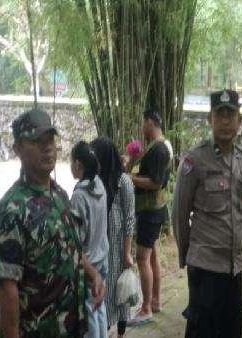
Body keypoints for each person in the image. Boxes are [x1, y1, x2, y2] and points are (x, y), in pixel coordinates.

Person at [0, 109, 105, 338]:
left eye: (50, 139)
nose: (47, 147)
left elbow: (70, 246)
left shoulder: (59, 194)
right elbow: (8, 293)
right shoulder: (12, 211)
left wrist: (93, 274)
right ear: (18, 149)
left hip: (72, 327)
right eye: (37, 141)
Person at [172, 90, 242, 338]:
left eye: (231, 115)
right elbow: (179, 215)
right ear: (210, 119)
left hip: (233, 270)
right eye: (220, 115)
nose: (225, 121)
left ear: (239, 121)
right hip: (205, 268)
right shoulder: (194, 160)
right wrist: (187, 256)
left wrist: (241, 255)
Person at [128, 110, 172, 326]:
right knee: (152, 256)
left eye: (143, 123)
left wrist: (131, 178)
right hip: (154, 209)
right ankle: (155, 301)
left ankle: (145, 308)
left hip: (150, 211)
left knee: (142, 258)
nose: (142, 127)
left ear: (150, 122)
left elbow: (156, 182)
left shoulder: (159, 149)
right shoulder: (158, 146)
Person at [91, 137, 136, 338]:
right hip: (101, 246)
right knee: (104, 291)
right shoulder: (96, 180)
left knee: (120, 291)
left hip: (118, 246)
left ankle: (121, 333)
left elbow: (130, 219)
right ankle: (105, 329)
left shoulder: (123, 181)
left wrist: (127, 253)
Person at [71, 141, 110, 338]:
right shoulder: (99, 185)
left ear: (78, 164)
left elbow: (77, 241)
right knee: (100, 307)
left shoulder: (79, 195)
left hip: (89, 263)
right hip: (102, 257)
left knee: (90, 312)